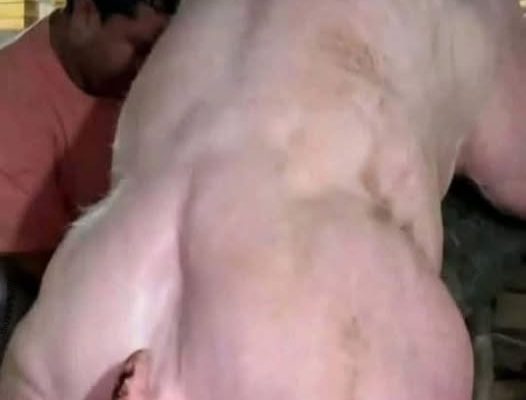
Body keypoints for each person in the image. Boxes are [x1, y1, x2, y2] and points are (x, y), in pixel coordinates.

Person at [0, 0, 179, 283]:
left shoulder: (140, 79)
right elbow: (32, 262)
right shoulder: (11, 102)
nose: (150, 68)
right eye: (142, 47)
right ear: (86, 15)